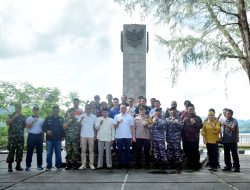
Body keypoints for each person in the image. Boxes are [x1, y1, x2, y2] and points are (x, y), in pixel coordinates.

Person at [42, 105, 64, 171]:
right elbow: (43, 127)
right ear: (52, 110)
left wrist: (63, 136)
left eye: (57, 109)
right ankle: (49, 166)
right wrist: (47, 131)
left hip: (58, 139)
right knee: (49, 153)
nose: (56, 110)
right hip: (49, 139)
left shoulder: (61, 119)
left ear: (58, 110)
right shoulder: (48, 118)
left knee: (58, 153)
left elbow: (63, 128)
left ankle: (58, 166)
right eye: (54, 109)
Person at [6, 103, 26, 172]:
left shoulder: (23, 116)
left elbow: (24, 126)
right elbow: (8, 123)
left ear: (21, 108)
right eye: (17, 108)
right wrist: (14, 117)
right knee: (11, 151)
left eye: (19, 108)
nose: (18, 109)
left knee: (20, 151)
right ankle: (10, 166)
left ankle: (18, 165)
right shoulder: (11, 115)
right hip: (12, 137)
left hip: (20, 136)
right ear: (15, 108)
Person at [182, 104, 203, 170]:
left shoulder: (198, 118)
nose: (190, 111)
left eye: (191, 109)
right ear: (187, 110)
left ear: (194, 110)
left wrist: (195, 122)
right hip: (186, 139)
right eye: (189, 109)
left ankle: (196, 165)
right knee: (187, 152)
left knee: (194, 152)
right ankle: (189, 164)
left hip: (194, 139)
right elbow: (182, 127)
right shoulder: (185, 118)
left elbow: (200, 126)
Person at [113, 104, 134, 169]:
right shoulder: (116, 116)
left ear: (126, 109)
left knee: (127, 151)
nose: (122, 109)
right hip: (119, 136)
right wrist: (118, 122)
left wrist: (132, 136)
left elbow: (131, 127)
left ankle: (127, 164)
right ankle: (120, 164)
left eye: (124, 108)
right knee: (119, 151)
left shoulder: (130, 116)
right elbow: (114, 126)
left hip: (128, 136)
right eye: (121, 108)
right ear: (120, 109)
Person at [78, 104, 97, 170]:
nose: (88, 109)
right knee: (83, 150)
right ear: (85, 109)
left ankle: (91, 164)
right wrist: (81, 120)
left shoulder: (94, 117)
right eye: (87, 108)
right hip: (83, 135)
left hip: (91, 135)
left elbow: (95, 127)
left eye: (89, 108)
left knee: (91, 150)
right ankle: (83, 164)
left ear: (91, 109)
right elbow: (77, 125)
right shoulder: (81, 116)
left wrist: (95, 135)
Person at [25, 106, 44, 171]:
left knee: (39, 152)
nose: (36, 111)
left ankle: (39, 165)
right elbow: (28, 127)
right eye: (35, 110)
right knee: (29, 151)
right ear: (33, 111)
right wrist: (33, 121)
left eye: (37, 110)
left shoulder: (41, 119)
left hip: (39, 136)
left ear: (39, 111)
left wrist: (42, 138)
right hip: (31, 136)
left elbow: (42, 130)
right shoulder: (29, 118)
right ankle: (28, 166)